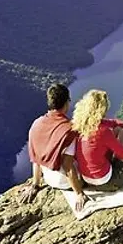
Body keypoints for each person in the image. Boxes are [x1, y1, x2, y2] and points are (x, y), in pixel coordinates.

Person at [22, 83, 88, 212]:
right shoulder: (68, 129)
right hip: (65, 182)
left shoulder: (36, 124)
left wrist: (35, 184)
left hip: (49, 179)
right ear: (67, 102)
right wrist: (79, 194)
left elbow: (36, 158)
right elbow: (68, 166)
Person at [70, 89, 123, 192]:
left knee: (119, 129)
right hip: (110, 182)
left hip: (88, 181)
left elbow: (113, 122)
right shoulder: (102, 131)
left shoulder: (81, 126)